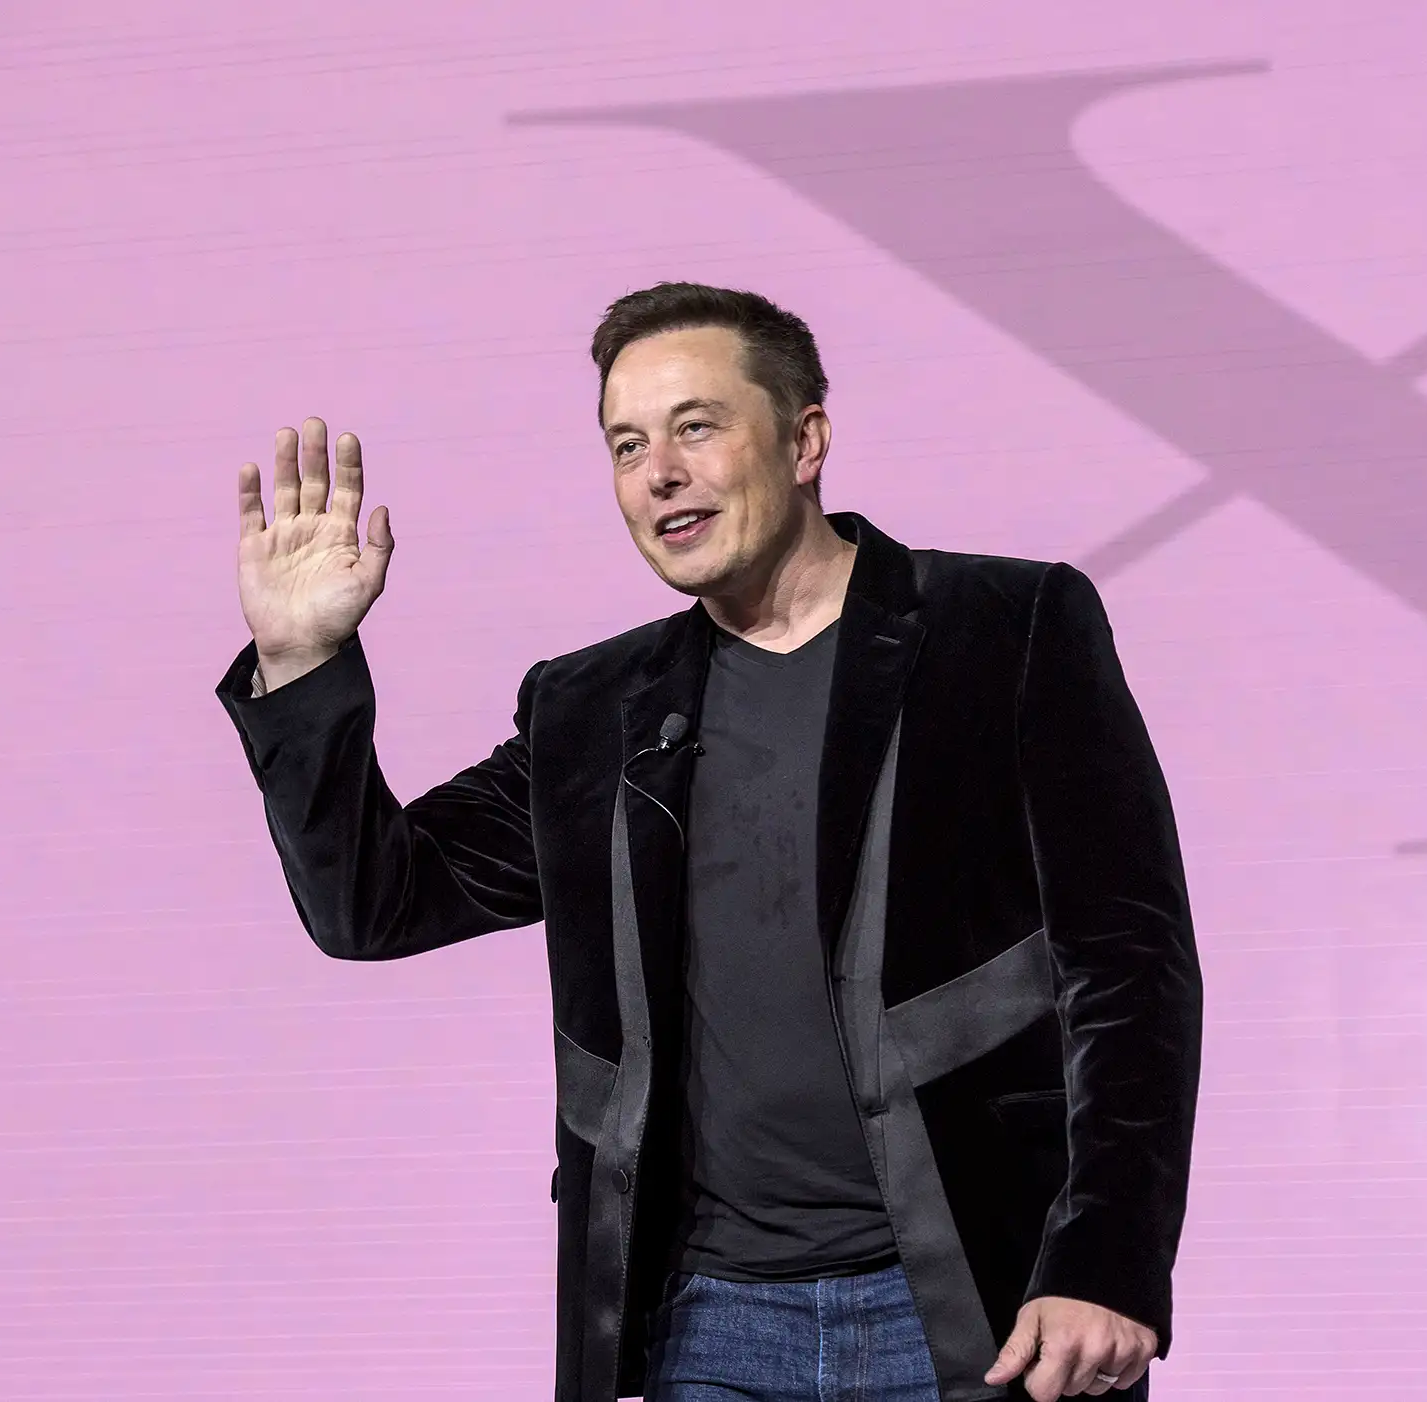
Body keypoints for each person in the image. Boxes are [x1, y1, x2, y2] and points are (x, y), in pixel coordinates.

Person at [215, 282, 1203, 1402]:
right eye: (626, 443)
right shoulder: (591, 706)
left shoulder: (1008, 628)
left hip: (982, 1304)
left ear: (806, 438)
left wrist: (1110, 1261)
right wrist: (302, 668)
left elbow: (1131, 965)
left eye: (696, 425)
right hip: (706, 1327)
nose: (658, 473)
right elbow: (375, 903)